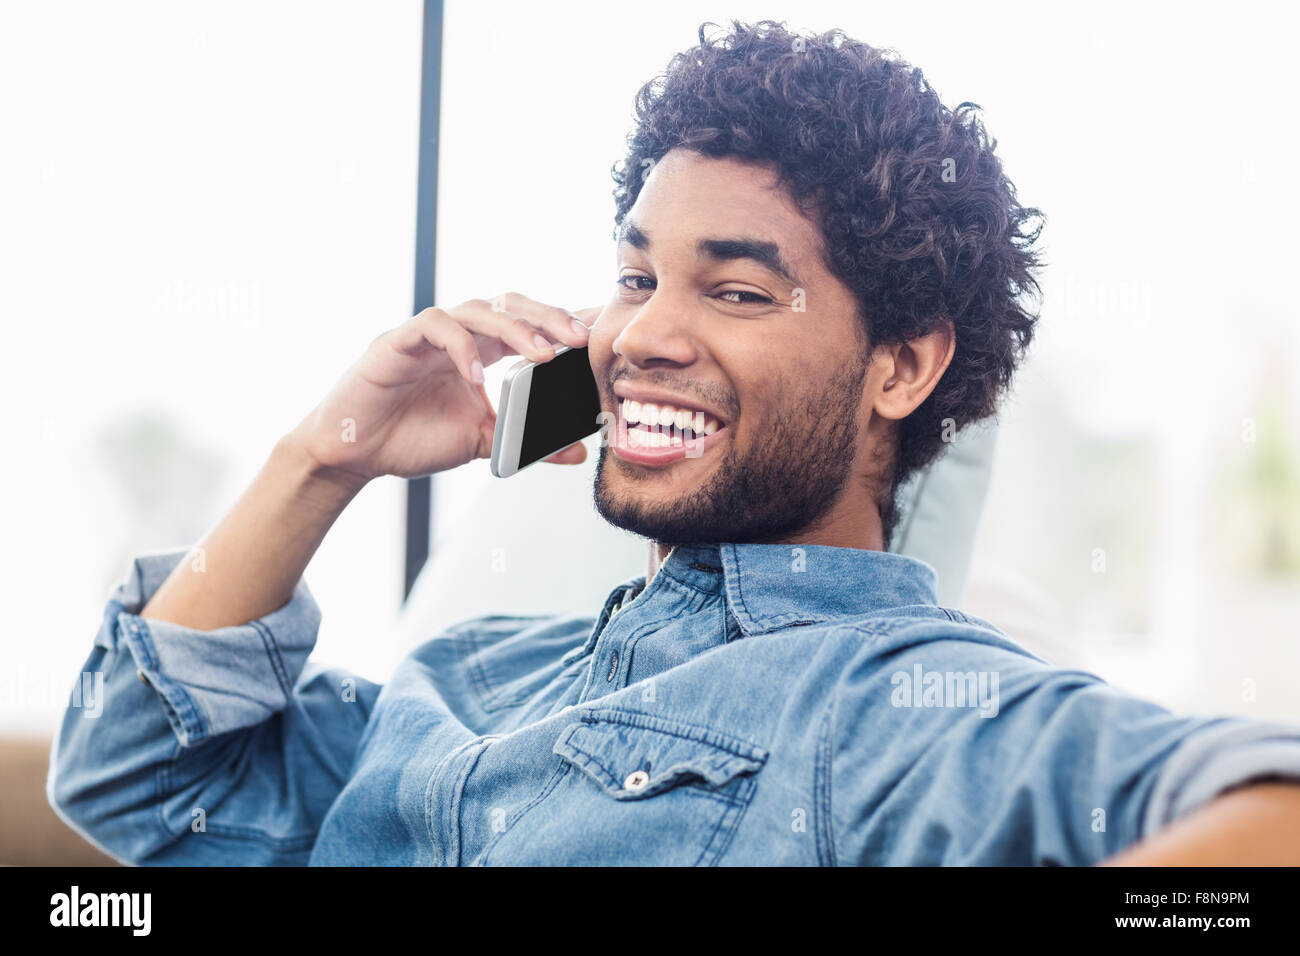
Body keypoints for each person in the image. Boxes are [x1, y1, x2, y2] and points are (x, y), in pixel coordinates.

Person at [48, 20, 1300, 865]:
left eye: (739, 291)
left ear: (903, 365)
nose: (645, 331)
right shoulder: (474, 676)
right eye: (636, 275)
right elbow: (129, 772)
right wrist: (328, 455)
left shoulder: (903, 703)